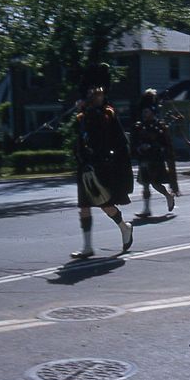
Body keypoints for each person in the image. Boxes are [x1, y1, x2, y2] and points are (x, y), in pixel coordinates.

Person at [71, 63, 134, 258]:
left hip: (103, 165)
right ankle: (88, 246)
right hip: (85, 166)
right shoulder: (82, 116)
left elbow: (103, 130)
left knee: (105, 205)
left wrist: (87, 111)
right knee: (83, 206)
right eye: (92, 92)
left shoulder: (107, 113)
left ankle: (124, 227)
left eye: (98, 92)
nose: (95, 95)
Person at [131, 89, 179, 218]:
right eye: (143, 111)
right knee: (145, 185)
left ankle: (169, 196)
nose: (144, 113)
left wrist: (151, 146)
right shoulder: (140, 126)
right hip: (144, 159)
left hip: (156, 159)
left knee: (155, 184)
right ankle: (146, 209)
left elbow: (165, 145)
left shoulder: (159, 126)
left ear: (152, 112)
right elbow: (135, 141)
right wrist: (139, 147)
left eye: (147, 111)